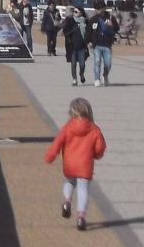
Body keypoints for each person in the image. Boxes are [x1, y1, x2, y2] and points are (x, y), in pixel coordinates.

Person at [44, 97, 107, 232]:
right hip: (85, 165)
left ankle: (67, 201)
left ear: (72, 112)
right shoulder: (94, 129)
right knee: (83, 189)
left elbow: (57, 143)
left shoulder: (67, 128)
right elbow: (100, 147)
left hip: (70, 164)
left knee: (69, 182)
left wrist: (50, 156)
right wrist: (96, 155)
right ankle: (81, 217)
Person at [88, 7, 118, 86]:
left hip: (107, 44)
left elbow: (117, 28)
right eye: (96, 8)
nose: (97, 10)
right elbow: (89, 31)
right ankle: (97, 79)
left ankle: (105, 75)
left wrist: (112, 25)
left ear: (103, 8)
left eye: (99, 8)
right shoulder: (93, 19)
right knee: (97, 62)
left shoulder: (110, 17)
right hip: (97, 44)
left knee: (108, 63)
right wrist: (89, 41)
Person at [62, 8, 89, 86]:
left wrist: (88, 41)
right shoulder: (70, 21)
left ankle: (81, 74)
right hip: (72, 46)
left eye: (76, 11)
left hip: (82, 46)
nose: (75, 13)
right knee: (73, 63)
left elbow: (89, 32)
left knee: (82, 64)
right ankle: (74, 79)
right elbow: (65, 31)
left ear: (81, 13)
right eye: (74, 11)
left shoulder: (85, 21)